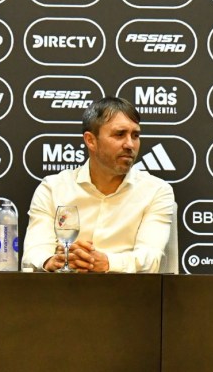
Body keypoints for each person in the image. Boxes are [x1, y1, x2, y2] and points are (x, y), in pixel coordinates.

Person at [21, 97, 176, 273]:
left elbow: (150, 258)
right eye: (119, 134)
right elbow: (34, 250)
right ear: (90, 140)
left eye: (135, 135)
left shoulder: (156, 190)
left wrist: (106, 262)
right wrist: (53, 261)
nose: (130, 144)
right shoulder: (53, 187)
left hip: (128, 295)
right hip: (62, 294)